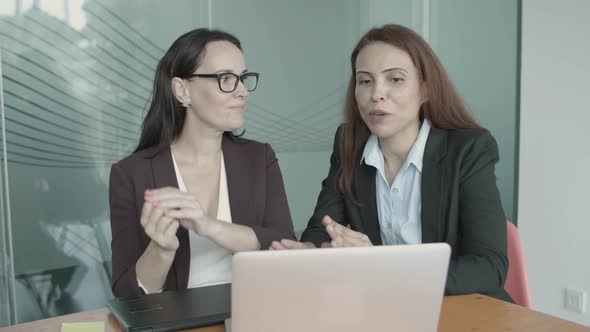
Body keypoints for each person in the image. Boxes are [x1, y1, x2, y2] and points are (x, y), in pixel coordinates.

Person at [271, 24, 512, 302]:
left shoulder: (468, 149)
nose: (376, 94)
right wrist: (311, 251)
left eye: (395, 79)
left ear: (425, 90)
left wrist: (381, 267)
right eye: (365, 81)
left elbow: (489, 267)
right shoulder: (349, 143)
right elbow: (323, 226)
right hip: (384, 307)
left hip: (464, 308)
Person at [109, 28, 295, 298]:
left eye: (243, 78)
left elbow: (286, 246)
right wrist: (160, 250)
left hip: (254, 314)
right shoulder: (131, 174)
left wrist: (210, 226)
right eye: (226, 78)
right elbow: (126, 296)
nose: (242, 92)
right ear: (182, 90)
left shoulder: (260, 158)